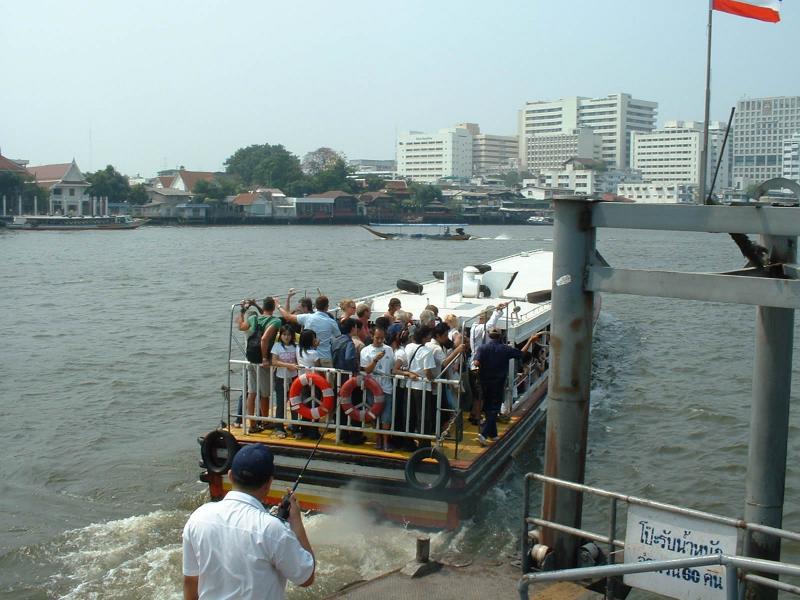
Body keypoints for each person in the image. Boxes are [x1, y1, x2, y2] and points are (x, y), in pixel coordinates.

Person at [182, 444, 315, 600]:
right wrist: (296, 524)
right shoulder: (273, 530)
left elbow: (190, 582)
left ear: (230, 475)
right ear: (268, 484)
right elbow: (306, 577)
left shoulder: (198, 517)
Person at [472, 329, 539, 446]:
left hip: (484, 382)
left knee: (488, 407)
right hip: (497, 383)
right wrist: (530, 341)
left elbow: (476, 362)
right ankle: (484, 434)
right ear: (501, 337)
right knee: (494, 409)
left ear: (489, 336)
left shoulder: (482, 348)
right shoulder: (505, 349)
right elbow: (521, 354)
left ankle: (493, 434)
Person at [237, 297, 283, 432]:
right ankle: (265, 421)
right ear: (273, 308)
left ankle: (252, 424)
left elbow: (241, 327)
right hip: (263, 361)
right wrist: (264, 358)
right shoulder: (276, 321)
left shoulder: (253, 319)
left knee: (252, 393)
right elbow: (264, 339)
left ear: (263, 307)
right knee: (265, 394)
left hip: (251, 359)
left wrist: (242, 311)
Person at [467, 302, 509, 426]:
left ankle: (474, 414)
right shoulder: (479, 328)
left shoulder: (475, 328)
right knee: (480, 394)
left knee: (477, 394)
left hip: (474, 365)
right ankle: (477, 417)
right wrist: (498, 311)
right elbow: (490, 325)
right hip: (478, 366)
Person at [360, 327, 397, 451]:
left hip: (387, 387)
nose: (380, 340)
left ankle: (386, 442)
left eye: (382, 338)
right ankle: (378, 440)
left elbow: (392, 368)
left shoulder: (389, 349)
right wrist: (375, 360)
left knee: (386, 416)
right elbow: (366, 370)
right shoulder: (366, 351)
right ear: (372, 336)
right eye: (377, 338)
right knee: (374, 414)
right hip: (373, 387)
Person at [280, 296, 340, 368]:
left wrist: (278, 305)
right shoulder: (332, 322)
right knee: (327, 379)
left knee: (309, 378)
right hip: (325, 356)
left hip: (308, 357)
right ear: (327, 307)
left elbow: (287, 317)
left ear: (316, 306)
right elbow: (338, 336)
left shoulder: (307, 317)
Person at [403, 326, 436, 448]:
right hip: (422, 386)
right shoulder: (427, 352)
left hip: (409, 384)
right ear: (424, 337)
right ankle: (424, 443)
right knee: (423, 416)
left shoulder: (408, 347)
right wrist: (432, 380)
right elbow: (428, 371)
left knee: (409, 415)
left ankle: (408, 442)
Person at [270, 325, 300, 438]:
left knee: (294, 403)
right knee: (280, 403)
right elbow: (274, 361)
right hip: (280, 378)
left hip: (293, 379)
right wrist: (288, 365)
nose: (286, 337)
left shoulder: (295, 347)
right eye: (284, 335)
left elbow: (298, 360)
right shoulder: (277, 346)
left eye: (288, 335)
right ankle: (279, 427)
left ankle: (296, 427)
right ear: (280, 335)